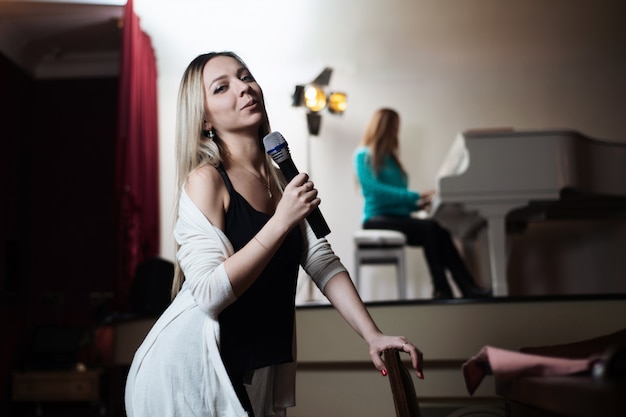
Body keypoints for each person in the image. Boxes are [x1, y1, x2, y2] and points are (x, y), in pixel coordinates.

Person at [124, 53, 423, 417]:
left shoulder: (281, 179)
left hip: (255, 367)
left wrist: (372, 335)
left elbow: (322, 262)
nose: (244, 88)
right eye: (222, 87)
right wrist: (281, 221)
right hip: (188, 372)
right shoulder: (206, 181)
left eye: (245, 76)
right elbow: (207, 294)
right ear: (204, 121)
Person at [353, 108, 491, 300]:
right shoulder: (363, 155)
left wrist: (419, 205)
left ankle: (465, 287)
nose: (396, 132)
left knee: (438, 231)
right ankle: (444, 287)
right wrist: (415, 196)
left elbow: (397, 202)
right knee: (430, 228)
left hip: (396, 217)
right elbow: (374, 190)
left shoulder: (392, 160)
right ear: (383, 127)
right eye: (394, 127)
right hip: (376, 218)